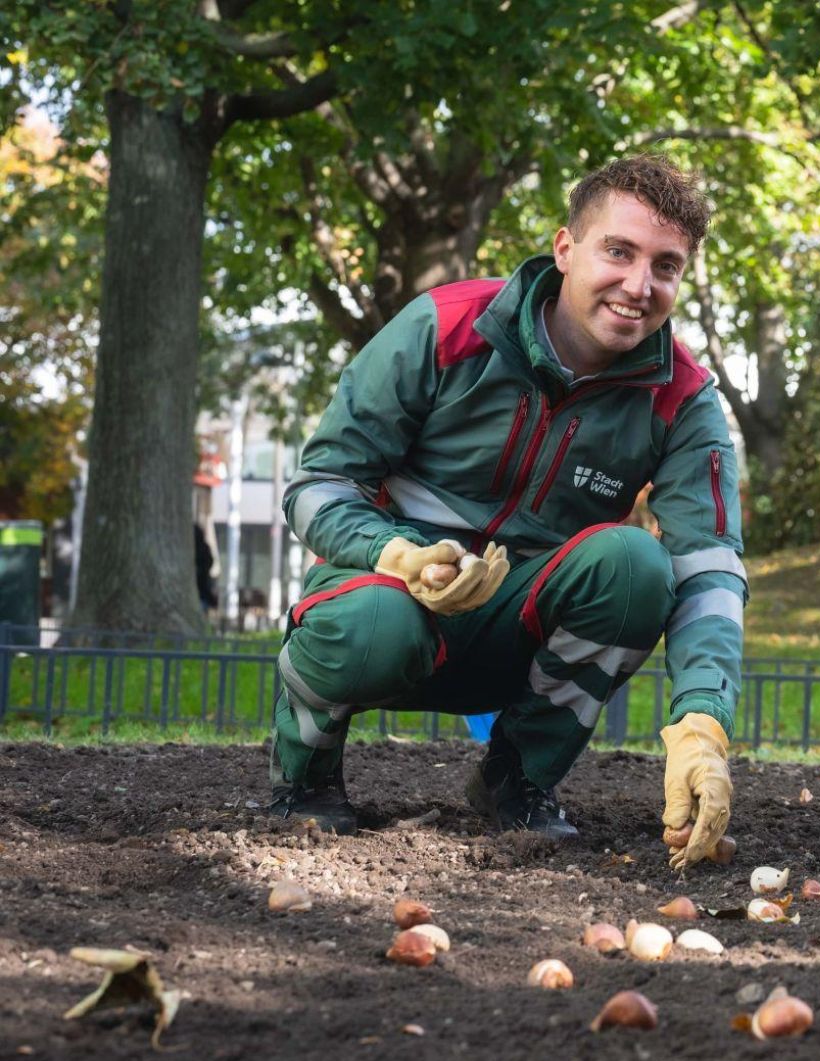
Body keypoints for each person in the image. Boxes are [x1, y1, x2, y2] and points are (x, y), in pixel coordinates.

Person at [268, 154, 745, 868]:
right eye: (618, 251)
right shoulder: (445, 326)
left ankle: (517, 778)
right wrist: (397, 554)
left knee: (638, 563)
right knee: (371, 622)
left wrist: (703, 721)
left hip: (520, 630)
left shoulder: (683, 397)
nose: (638, 285)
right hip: (388, 605)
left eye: (665, 266)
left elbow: (709, 568)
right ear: (565, 248)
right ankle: (305, 775)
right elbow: (318, 485)